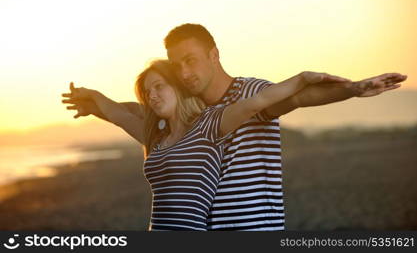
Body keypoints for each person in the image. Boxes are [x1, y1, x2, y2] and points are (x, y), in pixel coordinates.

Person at [63, 24, 407, 230]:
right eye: (177, 65)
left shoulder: (250, 92)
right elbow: (140, 113)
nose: (184, 72)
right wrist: (96, 104)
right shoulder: (191, 113)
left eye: (191, 60)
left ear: (214, 54)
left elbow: (300, 97)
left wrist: (355, 88)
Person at [62, 59, 348, 230]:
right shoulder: (155, 138)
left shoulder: (209, 127)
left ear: (179, 87)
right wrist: (93, 97)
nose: (152, 95)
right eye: (147, 92)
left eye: (159, 86)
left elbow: (259, 101)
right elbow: (120, 115)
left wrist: (302, 79)